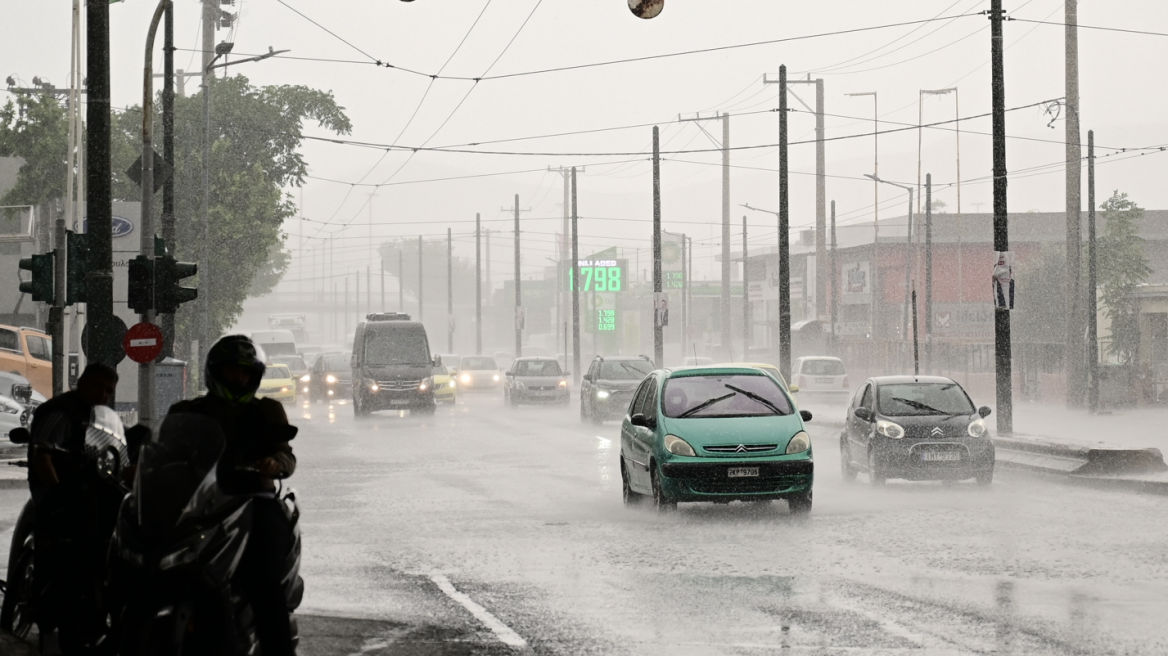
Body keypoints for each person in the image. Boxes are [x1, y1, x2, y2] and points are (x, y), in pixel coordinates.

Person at [168, 335, 298, 656]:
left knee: (263, 583)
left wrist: (273, 463)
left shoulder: (267, 411)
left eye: (245, 372)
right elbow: (163, 450)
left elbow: (286, 456)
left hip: (254, 502)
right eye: (231, 371)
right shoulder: (187, 411)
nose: (239, 378)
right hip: (199, 506)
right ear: (215, 371)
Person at [27, 362, 120, 652]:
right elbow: (43, 457)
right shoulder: (61, 412)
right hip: (63, 498)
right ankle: (46, 614)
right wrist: (57, 495)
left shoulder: (103, 418)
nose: (103, 394)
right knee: (59, 553)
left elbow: (117, 456)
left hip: (93, 497)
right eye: (97, 386)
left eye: (108, 390)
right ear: (81, 383)